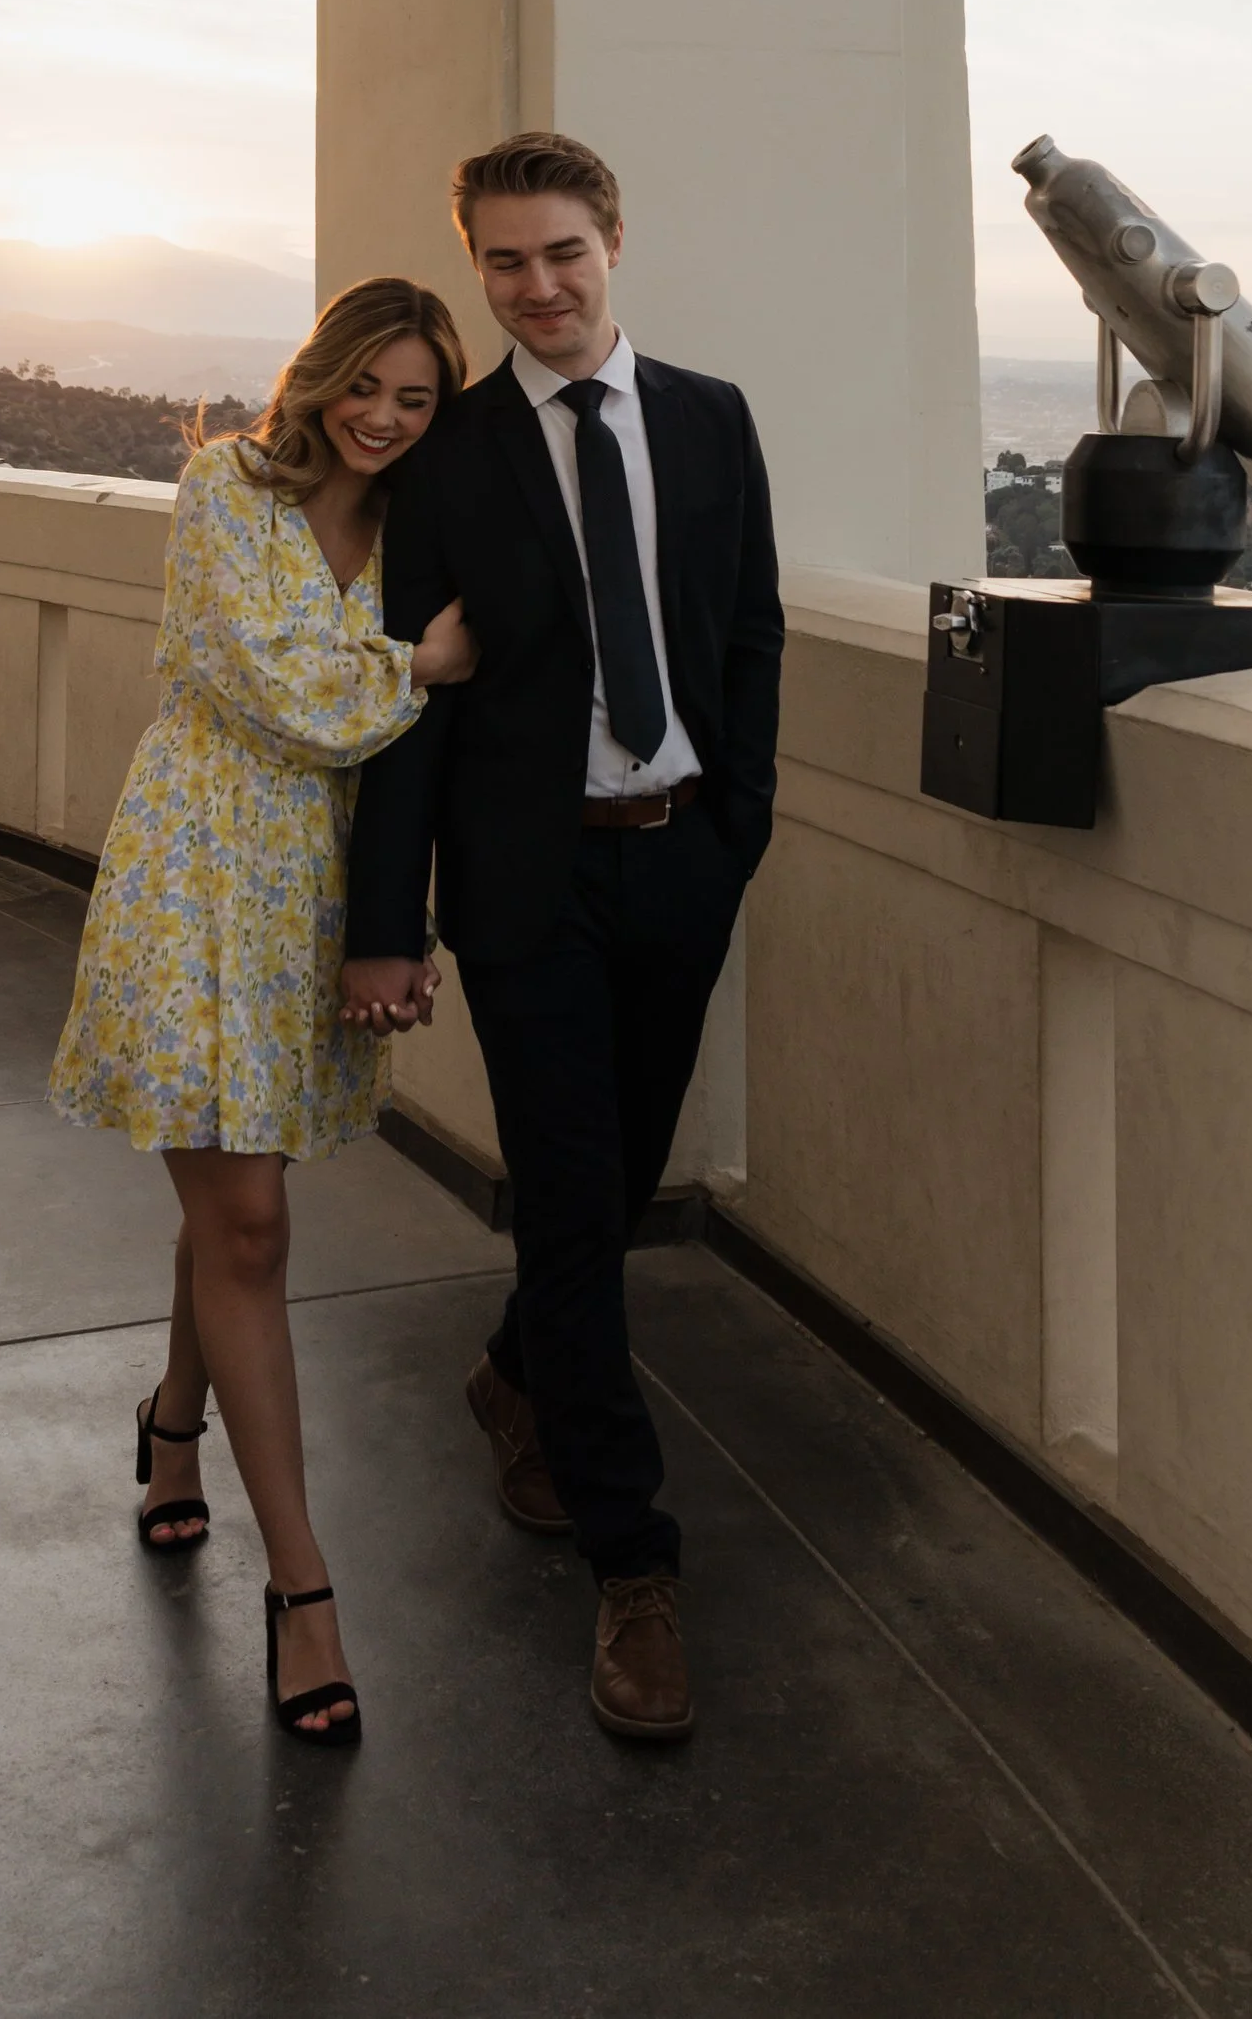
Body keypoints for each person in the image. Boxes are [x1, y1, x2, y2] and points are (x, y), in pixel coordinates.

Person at [341, 133, 783, 1744]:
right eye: (506, 261)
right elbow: (416, 706)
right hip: (528, 887)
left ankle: (516, 1367)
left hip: (680, 862)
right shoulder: (448, 456)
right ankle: (632, 1562)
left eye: (563, 252)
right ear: (479, 266)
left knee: (615, 1181)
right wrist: (387, 924)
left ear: (615, 241)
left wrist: (737, 829)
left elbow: (749, 631)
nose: (538, 287)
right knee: (576, 1196)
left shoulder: (711, 417)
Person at [49, 277, 478, 1747]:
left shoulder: (419, 532)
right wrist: (417, 665)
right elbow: (277, 686)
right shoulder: (225, 488)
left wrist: (397, 921)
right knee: (247, 1222)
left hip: (313, 895)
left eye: (415, 399)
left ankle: (174, 1426)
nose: (383, 417)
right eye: (366, 385)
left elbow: (405, 746)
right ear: (319, 374)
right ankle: (305, 1590)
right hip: (194, 873)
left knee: (235, 1200)